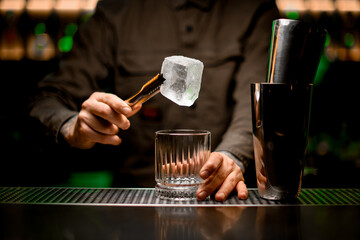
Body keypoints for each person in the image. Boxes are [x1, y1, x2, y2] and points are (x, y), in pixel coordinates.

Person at [29, 0, 279, 201]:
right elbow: (46, 98)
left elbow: (260, 102)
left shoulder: (254, 7)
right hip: (132, 201)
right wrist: (71, 126)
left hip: (222, 199)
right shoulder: (117, 9)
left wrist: (231, 156)